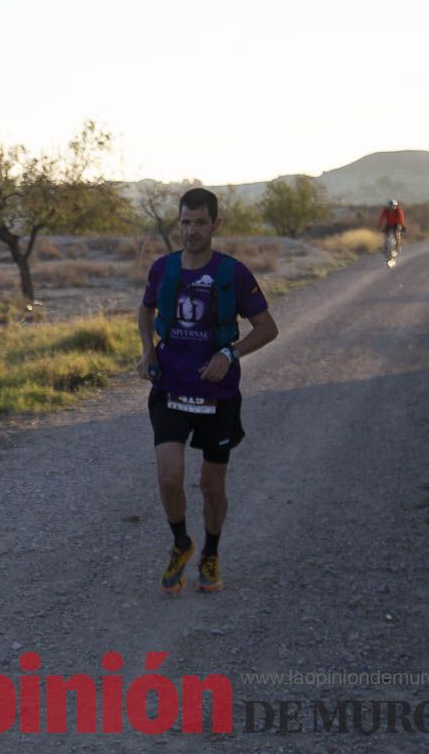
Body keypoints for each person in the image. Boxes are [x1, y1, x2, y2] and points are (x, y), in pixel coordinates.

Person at [136, 188, 278, 595]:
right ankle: (182, 544)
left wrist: (230, 354)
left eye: (200, 222)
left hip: (218, 396)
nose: (191, 231)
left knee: (212, 486)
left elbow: (268, 328)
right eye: (185, 222)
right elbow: (145, 309)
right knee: (169, 476)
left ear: (216, 224)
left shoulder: (233, 273)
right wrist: (147, 351)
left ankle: (211, 552)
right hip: (170, 387)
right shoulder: (163, 268)